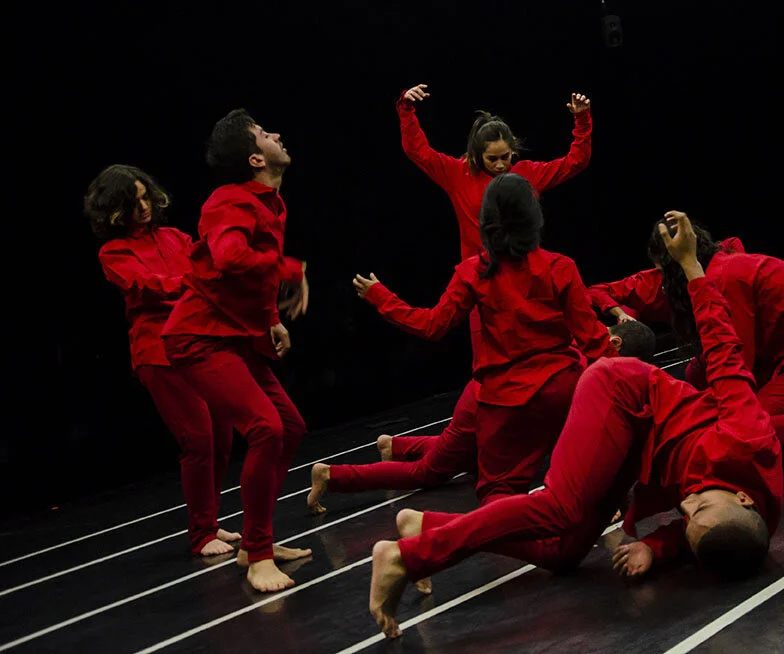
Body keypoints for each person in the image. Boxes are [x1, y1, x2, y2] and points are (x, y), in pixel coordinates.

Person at [366, 211, 784, 638]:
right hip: (624, 392)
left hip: (640, 446)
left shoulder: (728, 529)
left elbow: (694, 534)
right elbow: (724, 352)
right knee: (558, 507)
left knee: (563, 553)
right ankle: (406, 556)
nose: (688, 503)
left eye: (690, 515)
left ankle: (428, 524)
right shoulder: (748, 438)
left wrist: (655, 549)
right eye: (700, 506)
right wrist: (692, 266)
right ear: (743, 497)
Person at [345, 174, 617, 518]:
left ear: (485, 222)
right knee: (584, 463)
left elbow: (432, 326)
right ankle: (601, 503)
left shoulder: (474, 272)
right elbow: (595, 342)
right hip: (559, 390)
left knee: (495, 493)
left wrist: (381, 298)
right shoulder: (560, 267)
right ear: (534, 218)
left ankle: (429, 530)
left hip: (503, 401)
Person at [160, 109, 312, 592]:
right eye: (266, 134)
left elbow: (244, 280)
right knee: (265, 428)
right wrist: (291, 268)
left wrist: (271, 320)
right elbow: (229, 258)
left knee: (289, 426)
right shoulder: (230, 201)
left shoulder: (269, 202)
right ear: (254, 157)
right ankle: (259, 554)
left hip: (237, 337)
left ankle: (252, 540)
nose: (277, 134)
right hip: (199, 338)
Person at [305, 320, 657, 511]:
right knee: (429, 473)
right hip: (485, 404)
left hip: (501, 406)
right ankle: (332, 475)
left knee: (469, 457)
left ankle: (396, 445)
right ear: (617, 347)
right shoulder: (588, 362)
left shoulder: (586, 343)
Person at [88, 164, 240, 557]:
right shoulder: (114, 252)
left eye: (144, 197)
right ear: (114, 209)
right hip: (158, 352)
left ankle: (211, 521)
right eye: (131, 201)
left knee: (222, 435)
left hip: (201, 343)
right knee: (198, 437)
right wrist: (196, 284)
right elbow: (147, 286)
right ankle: (201, 533)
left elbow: (209, 265)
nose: (142, 207)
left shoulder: (175, 237)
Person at [646, 220, 784, 471]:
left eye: (662, 275)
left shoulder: (726, 280)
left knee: (738, 425)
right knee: (696, 373)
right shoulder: (723, 266)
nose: (663, 286)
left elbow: (737, 363)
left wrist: (690, 419)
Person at [398, 83, 593, 262]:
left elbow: (575, 162)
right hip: (478, 275)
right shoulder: (458, 173)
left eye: (505, 157)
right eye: (492, 159)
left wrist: (582, 120)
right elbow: (418, 152)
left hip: (522, 273)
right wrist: (406, 110)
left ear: (513, 151)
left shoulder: (527, 174)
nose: (500, 165)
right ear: (477, 155)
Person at [587, 238, 745, 325]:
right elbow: (595, 291)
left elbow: (732, 243)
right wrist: (621, 314)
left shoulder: (711, 261)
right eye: (663, 270)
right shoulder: (647, 283)